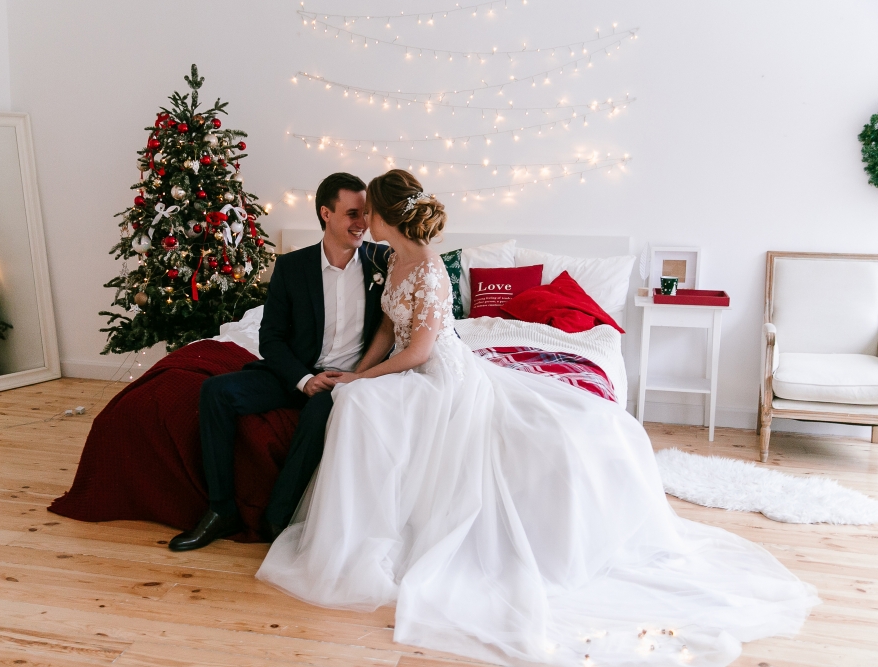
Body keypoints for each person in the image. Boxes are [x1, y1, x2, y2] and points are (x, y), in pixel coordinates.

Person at [256, 170, 819, 667]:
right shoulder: (391, 260)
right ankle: (353, 524)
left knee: (363, 404)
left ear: (387, 215)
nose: (364, 221)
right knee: (357, 402)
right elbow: (386, 326)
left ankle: (380, 532)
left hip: (436, 371)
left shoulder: (427, 267)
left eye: (369, 212)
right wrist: (358, 371)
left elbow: (421, 348)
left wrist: (362, 381)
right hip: (408, 366)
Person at [168, 173, 390, 551]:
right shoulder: (291, 266)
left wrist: (353, 377)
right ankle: (221, 510)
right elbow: (270, 338)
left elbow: (394, 327)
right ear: (326, 213)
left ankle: (277, 518)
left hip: (347, 380)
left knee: (320, 411)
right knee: (215, 392)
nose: (363, 223)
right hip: (296, 372)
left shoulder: (382, 262)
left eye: (366, 213)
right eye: (353, 213)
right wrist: (304, 379)